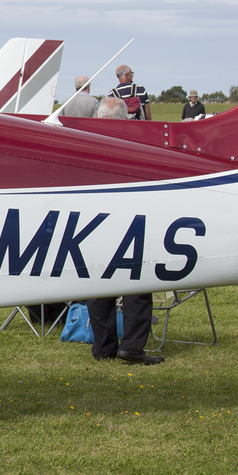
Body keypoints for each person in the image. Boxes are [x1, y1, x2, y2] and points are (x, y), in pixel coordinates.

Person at [86, 83, 161, 363]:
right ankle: (131, 346)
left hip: (91, 223)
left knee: (96, 287)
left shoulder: (83, 139)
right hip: (128, 221)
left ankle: (103, 347)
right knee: (137, 286)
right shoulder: (133, 142)